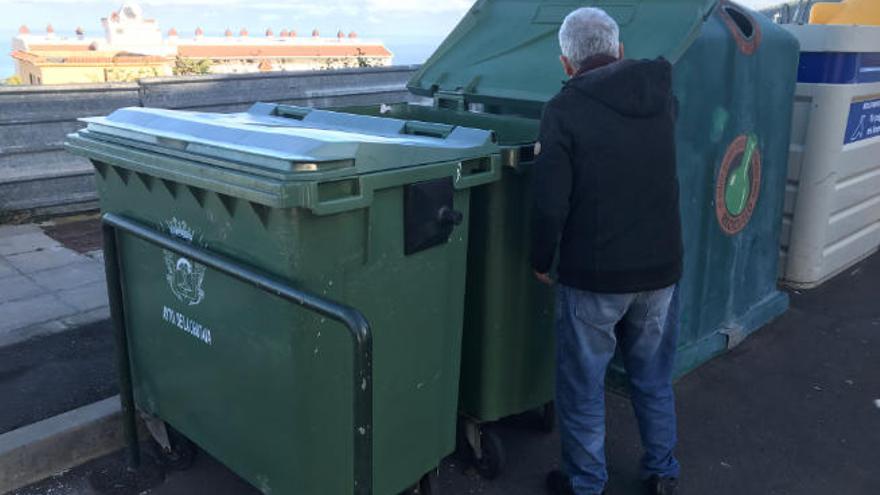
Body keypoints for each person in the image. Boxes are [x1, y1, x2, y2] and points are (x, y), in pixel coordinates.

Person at [530, 7, 684, 495]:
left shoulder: (564, 110)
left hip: (596, 276)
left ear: (565, 63)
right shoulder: (663, 97)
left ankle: (585, 483)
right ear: (618, 49)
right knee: (653, 377)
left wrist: (540, 258)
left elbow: (550, 201)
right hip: (661, 269)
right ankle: (662, 473)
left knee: (582, 386)